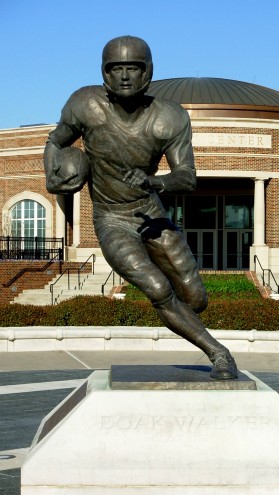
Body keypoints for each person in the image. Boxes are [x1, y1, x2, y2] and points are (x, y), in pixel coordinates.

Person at [44, 35, 238, 379]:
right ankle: (219, 353)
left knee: (195, 299)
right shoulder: (85, 104)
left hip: (151, 213)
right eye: (116, 68)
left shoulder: (169, 117)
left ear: (147, 71)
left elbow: (187, 177)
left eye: (132, 68)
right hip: (111, 218)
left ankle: (193, 325)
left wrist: (155, 182)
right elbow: (55, 141)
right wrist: (53, 174)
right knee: (158, 288)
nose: (124, 76)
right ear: (105, 72)